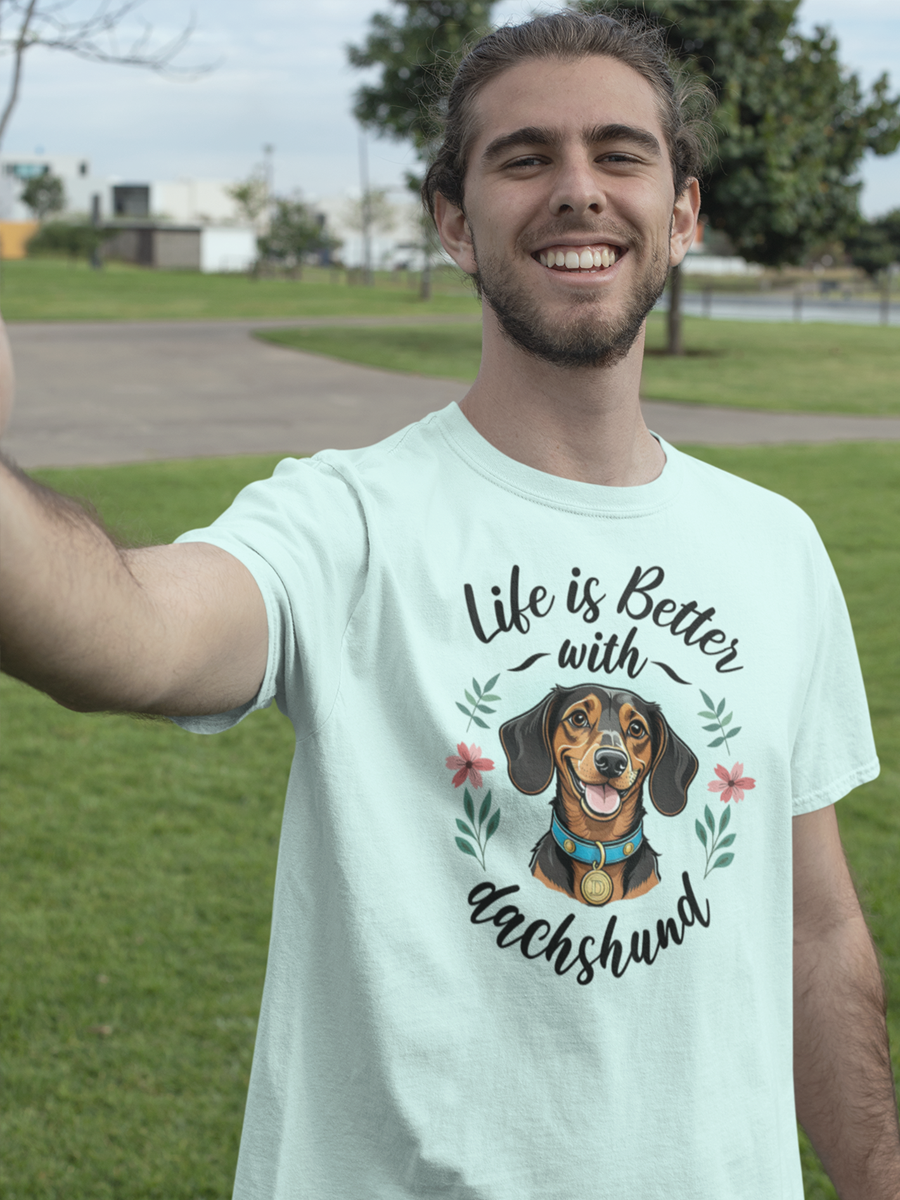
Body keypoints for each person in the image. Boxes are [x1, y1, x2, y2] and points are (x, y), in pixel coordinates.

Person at [1, 10, 898, 1199]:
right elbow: (127, 633)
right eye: (524, 158)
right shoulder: (346, 522)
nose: (578, 190)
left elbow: (816, 936)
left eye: (620, 154)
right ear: (453, 222)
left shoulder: (774, 547)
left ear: (683, 212)